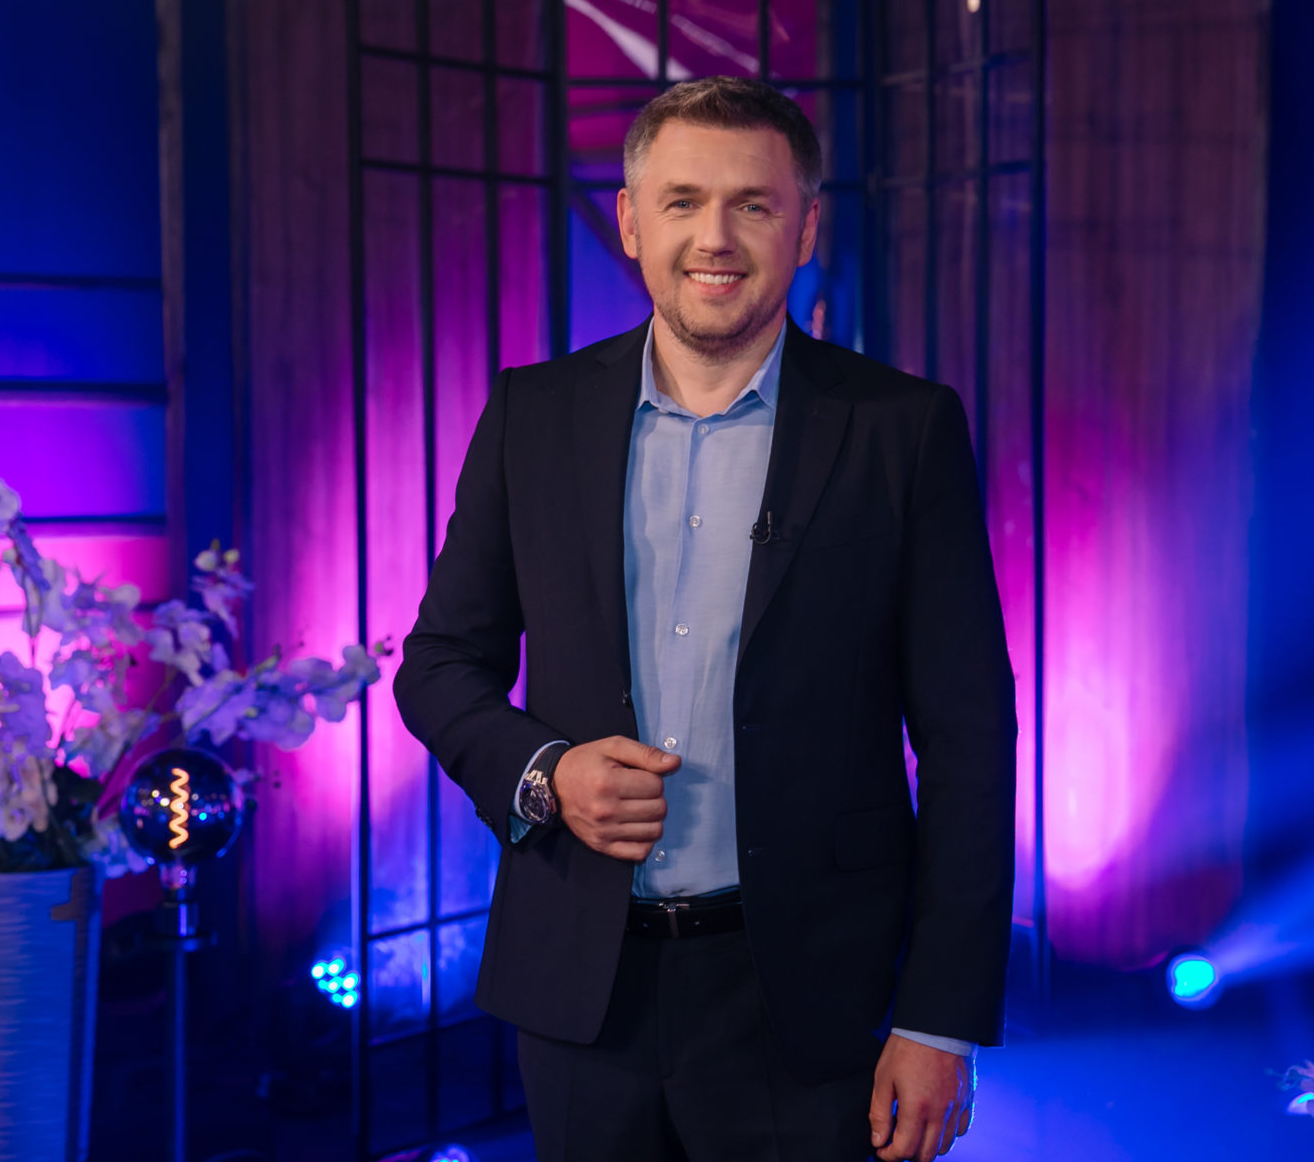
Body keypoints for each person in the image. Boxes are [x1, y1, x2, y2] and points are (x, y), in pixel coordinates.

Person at [396, 76, 1015, 1162]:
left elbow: (970, 735)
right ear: (632, 222)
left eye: (753, 205)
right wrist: (548, 774)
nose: (714, 238)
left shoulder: (902, 429)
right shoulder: (532, 414)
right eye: (681, 201)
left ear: (806, 227)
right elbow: (440, 663)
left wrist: (937, 1018)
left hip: (814, 1002)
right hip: (581, 990)